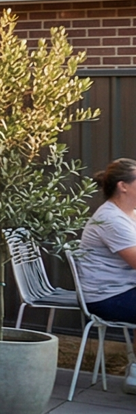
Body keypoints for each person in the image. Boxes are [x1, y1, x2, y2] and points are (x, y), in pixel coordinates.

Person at [77, 158, 136, 391]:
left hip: (124, 290)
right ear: (124, 186)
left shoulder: (130, 215)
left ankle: (135, 374)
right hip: (106, 298)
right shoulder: (111, 219)